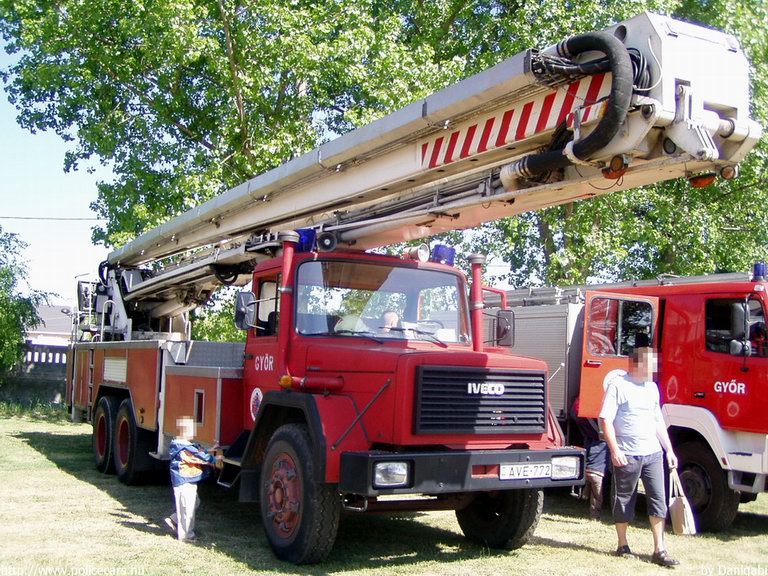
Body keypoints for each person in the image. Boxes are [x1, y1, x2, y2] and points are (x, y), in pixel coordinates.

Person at [598, 334, 679, 567]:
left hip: (653, 453)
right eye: (649, 365)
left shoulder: (652, 388)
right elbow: (606, 419)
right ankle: (622, 545)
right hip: (627, 453)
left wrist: (669, 450)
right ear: (635, 364)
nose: (652, 370)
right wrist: (614, 450)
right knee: (624, 499)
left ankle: (659, 550)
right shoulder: (618, 385)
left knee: (658, 499)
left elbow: (657, 422)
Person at [164, 416, 220, 542]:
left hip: (187, 480)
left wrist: (209, 450)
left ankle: (174, 520)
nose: (194, 432)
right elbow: (198, 457)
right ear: (185, 431)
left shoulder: (183, 445)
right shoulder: (183, 448)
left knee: (194, 502)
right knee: (187, 509)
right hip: (184, 481)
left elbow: (197, 451)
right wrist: (214, 460)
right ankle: (186, 536)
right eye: (191, 429)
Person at [571, 397, 609, 520]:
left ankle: (585, 493)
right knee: (602, 437)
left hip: (578, 410)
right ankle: (594, 515)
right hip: (596, 472)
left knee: (591, 438)